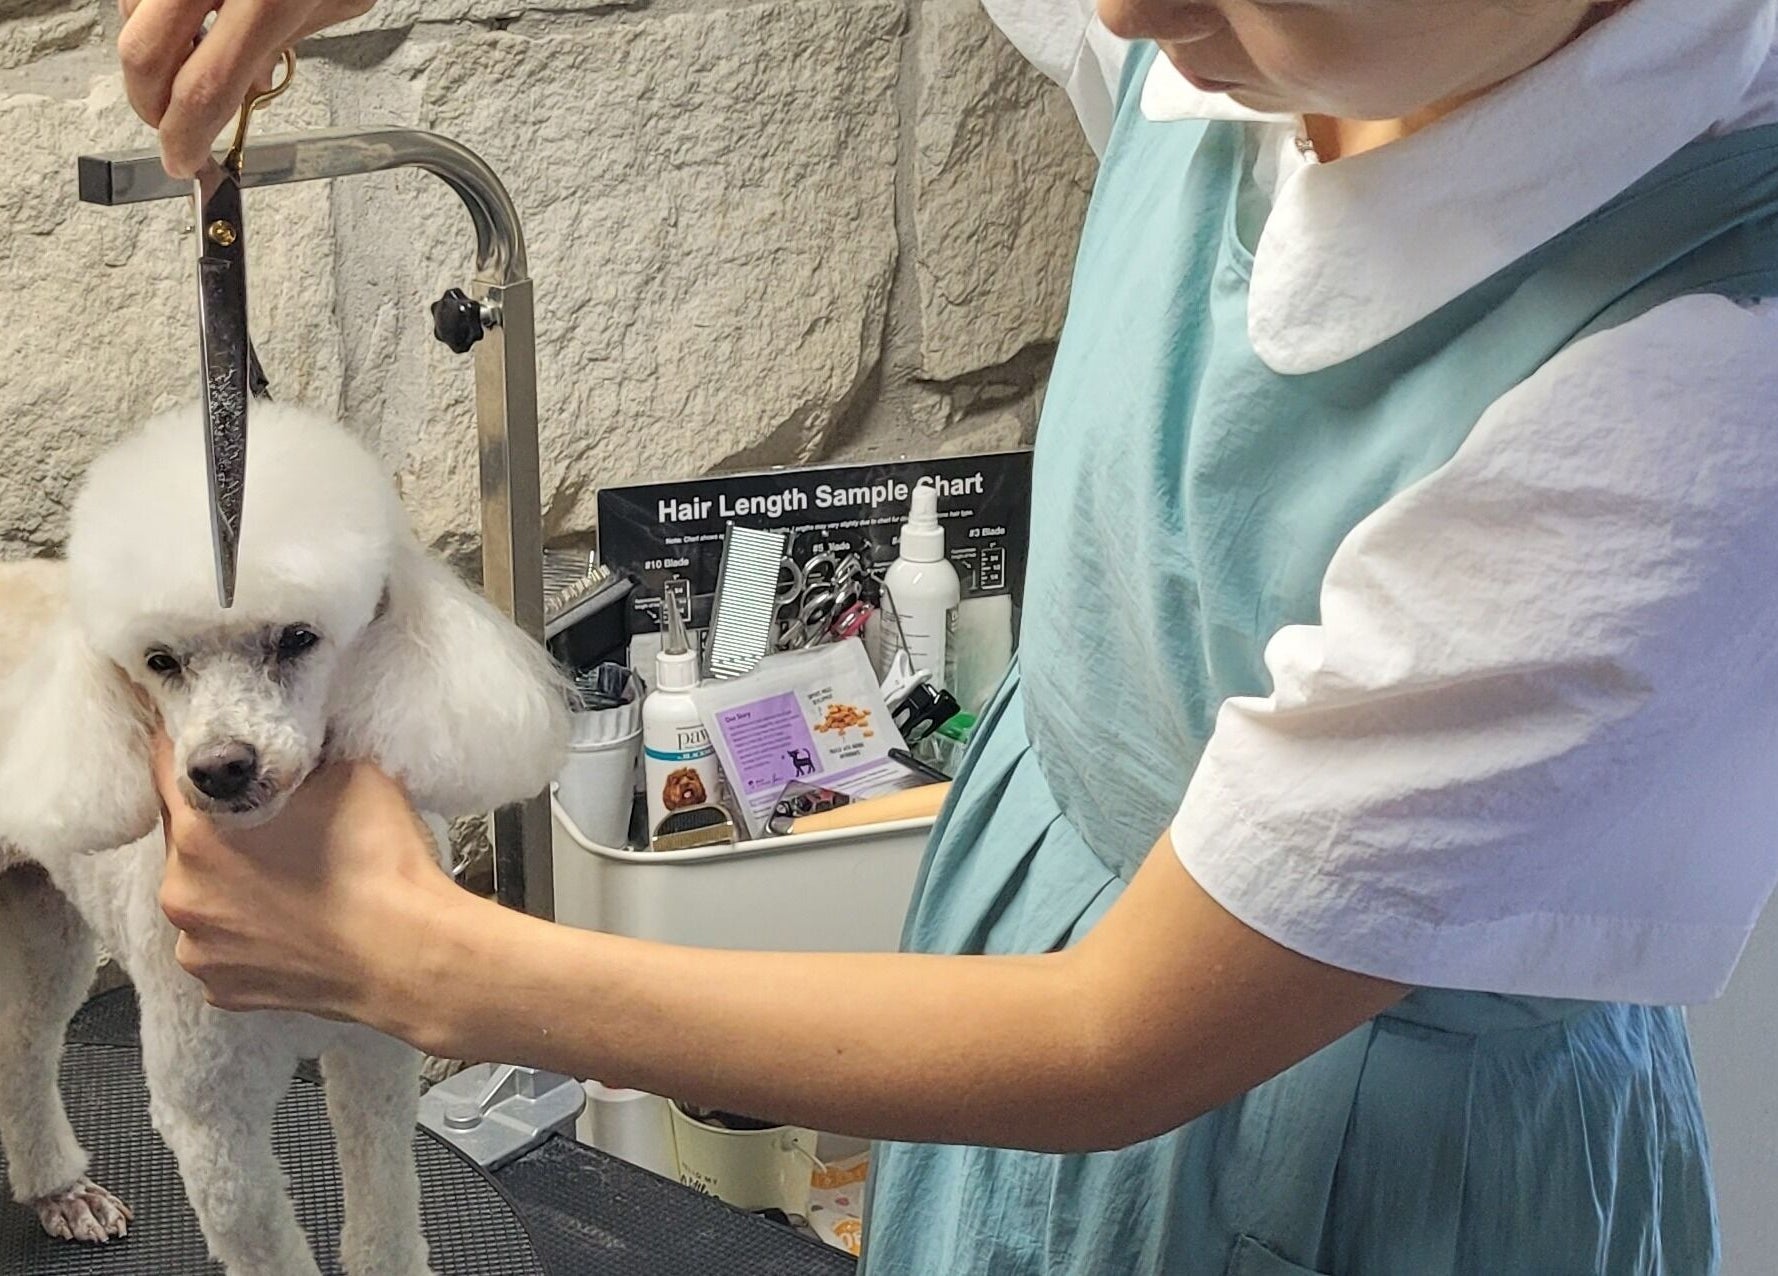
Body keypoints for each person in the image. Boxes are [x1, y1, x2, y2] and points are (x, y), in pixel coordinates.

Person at [110, 0, 1778, 1270]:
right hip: (1027, 924)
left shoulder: (1686, 402)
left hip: (1311, 1127)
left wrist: (435, 968)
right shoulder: (1284, 43)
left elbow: (1118, 1040)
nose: (1121, 18)